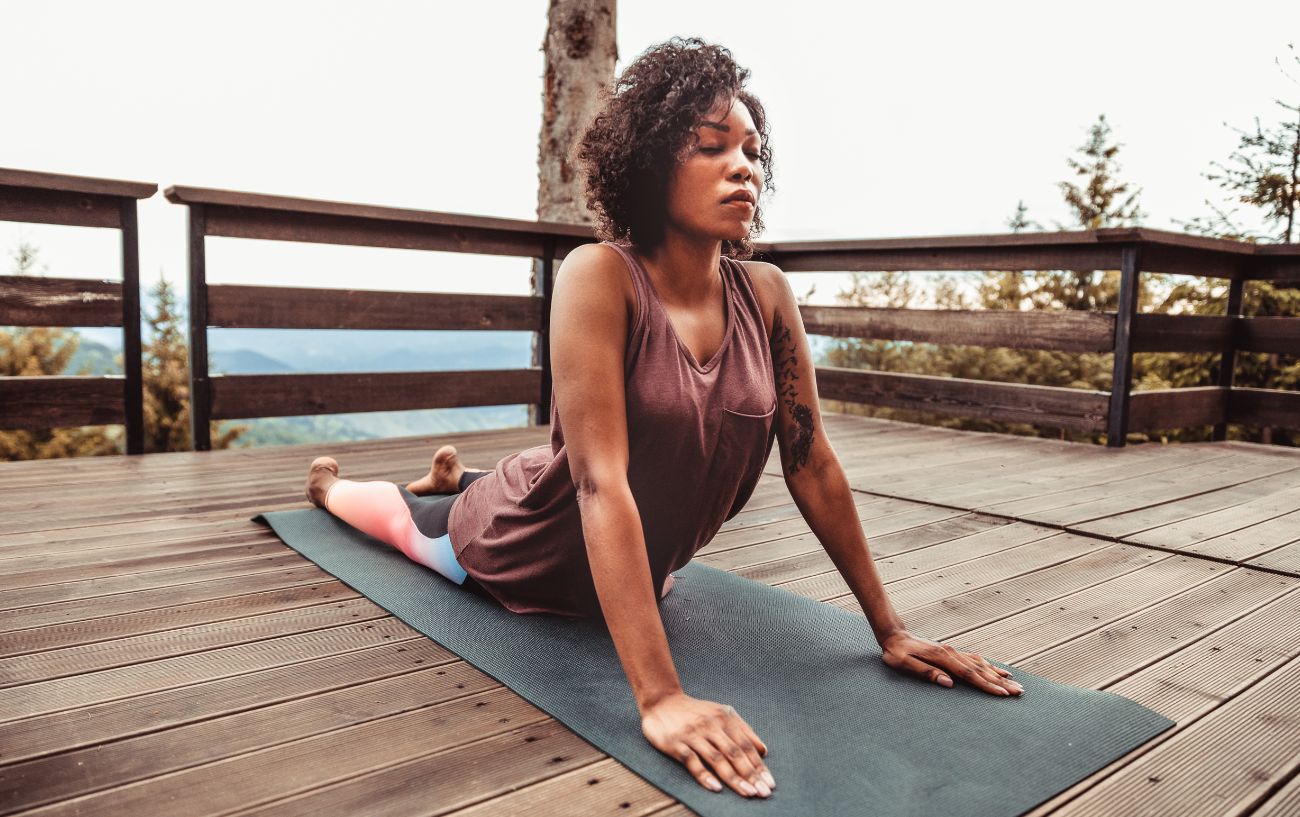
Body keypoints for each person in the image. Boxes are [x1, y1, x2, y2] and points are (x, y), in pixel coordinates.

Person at [303, 36, 1022, 802]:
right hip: (525, 548)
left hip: (635, 561)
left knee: (542, 471)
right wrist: (659, 697)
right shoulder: (599, 276)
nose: (742, 165)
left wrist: (890, 628)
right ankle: (338, 486)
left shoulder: (768, 295)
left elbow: (812, 464)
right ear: (649, 163)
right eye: (712, 147)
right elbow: (598, 486)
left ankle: (458, 476)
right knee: (412, 531)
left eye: (750, 149)